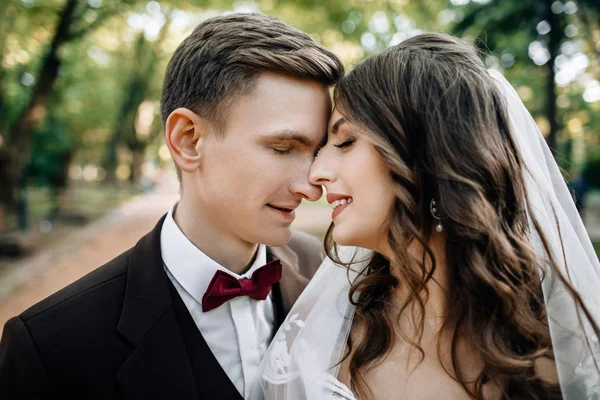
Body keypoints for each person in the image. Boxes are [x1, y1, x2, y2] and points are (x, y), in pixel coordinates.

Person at [0, 13, 343, 400]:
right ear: (188, 140)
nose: (310, 187)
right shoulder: (51, 347)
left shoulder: (329, 276)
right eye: (282, 149)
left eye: (315, 153)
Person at [261, 33, 600, 399]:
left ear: (431, 159)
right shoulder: (321, 329)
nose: (316, 173)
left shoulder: (552, 348)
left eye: (345, 142)